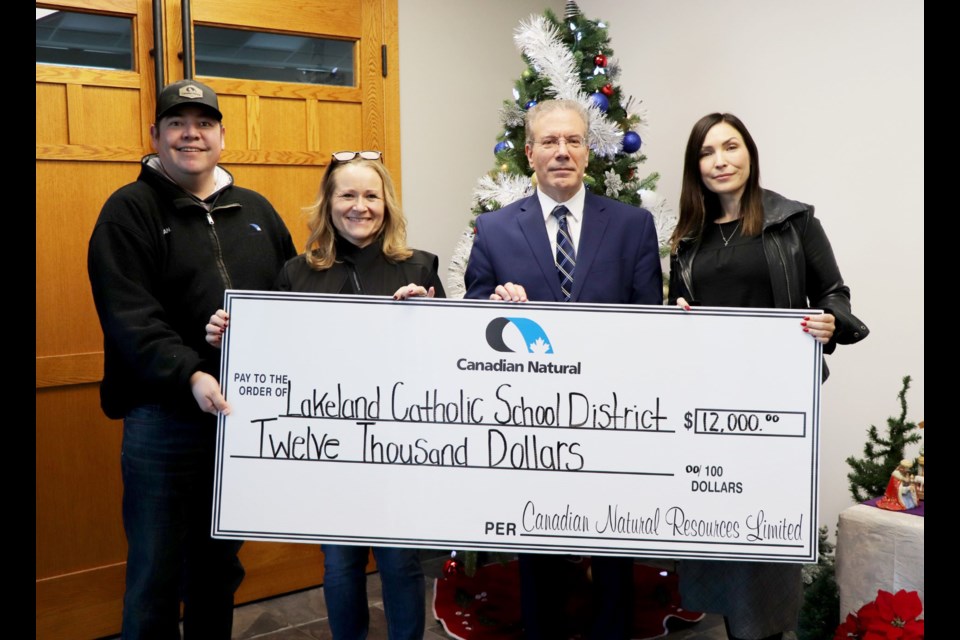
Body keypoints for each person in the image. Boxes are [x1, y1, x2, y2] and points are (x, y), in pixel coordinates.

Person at [87, 79, 296, 639]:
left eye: (203, 123)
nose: (191, 134)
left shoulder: (255, 210)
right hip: (165, 420)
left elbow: (293, 294)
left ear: (222, 136)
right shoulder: (127, 211)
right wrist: (192, 372)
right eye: (177, 123)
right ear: (155, 135)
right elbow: (130, 318)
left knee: (217, 570)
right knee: (155, 574)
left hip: (237, 421)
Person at [208, 150, 441, 640]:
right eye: (348, 194)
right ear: (329, 203)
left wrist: (431, 314)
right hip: (329, 452)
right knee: (339, 565)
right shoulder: (297, 273)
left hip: (400, 449)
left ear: (387, 204)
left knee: (400, 566)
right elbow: (274, 355)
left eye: (371, 195)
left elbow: (445, 363)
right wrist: (232, 336)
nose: (360, 206)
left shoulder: (419, 267)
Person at [464, 99, 663, 639]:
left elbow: (650, 321)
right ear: (529, 153)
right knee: (539, 558)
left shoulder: (631, 225)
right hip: (533, 425)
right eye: (549, 142)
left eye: (573, 141)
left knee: (614, 555)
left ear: (587, 153)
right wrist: (495, 307)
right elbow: (476, 313)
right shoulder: (496, 228)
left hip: (613, 419)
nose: (562, 152)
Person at [668, 112, 869, 640]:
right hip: (710, 409)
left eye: (730, 147)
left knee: (767, 537)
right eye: (707, 153)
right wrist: (677, 313)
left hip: (778, 405)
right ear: (697, 169)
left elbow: (836, 295)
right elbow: (677, 315)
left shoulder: (794, 222)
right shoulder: (686, 241)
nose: (721, 161)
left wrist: (831, 322)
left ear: (749, 154)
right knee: (723, 532)